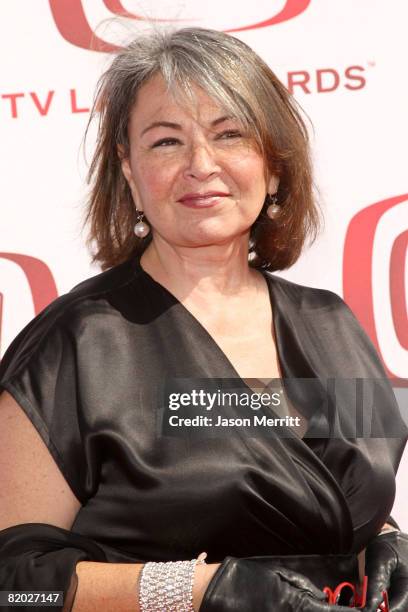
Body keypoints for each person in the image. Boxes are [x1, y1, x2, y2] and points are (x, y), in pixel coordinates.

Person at [0, 26, 407, 612]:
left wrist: (387, 541)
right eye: (166, 142)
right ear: (129, 171)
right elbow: (16, 584)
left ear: (272, 167)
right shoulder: (75, 346)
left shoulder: (331, 322)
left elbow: (326, 496)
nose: (201, 164)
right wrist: (198, 592)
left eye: (230, 134)